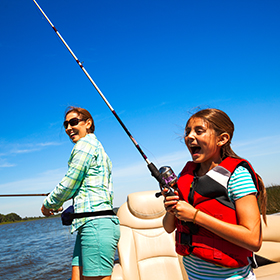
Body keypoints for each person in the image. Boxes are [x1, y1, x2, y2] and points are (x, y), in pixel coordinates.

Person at [162, 108, 267, 280]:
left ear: (222, 139)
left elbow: (254, 240)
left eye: (199, 131)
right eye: (187, 132)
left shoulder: (237, 176)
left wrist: (195, 215)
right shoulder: (185, 177)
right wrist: (170, 210)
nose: (189, 136)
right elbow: (168, 227)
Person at [41, 106, 120, 280]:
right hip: (88, 223)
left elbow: (69, 183)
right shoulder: (98, 148)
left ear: (88, 123)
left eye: (74, 122)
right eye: (66, 124)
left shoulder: (85, 145)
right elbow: (81, 186)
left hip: (96, 225)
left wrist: (48, 205)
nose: (69, 128)